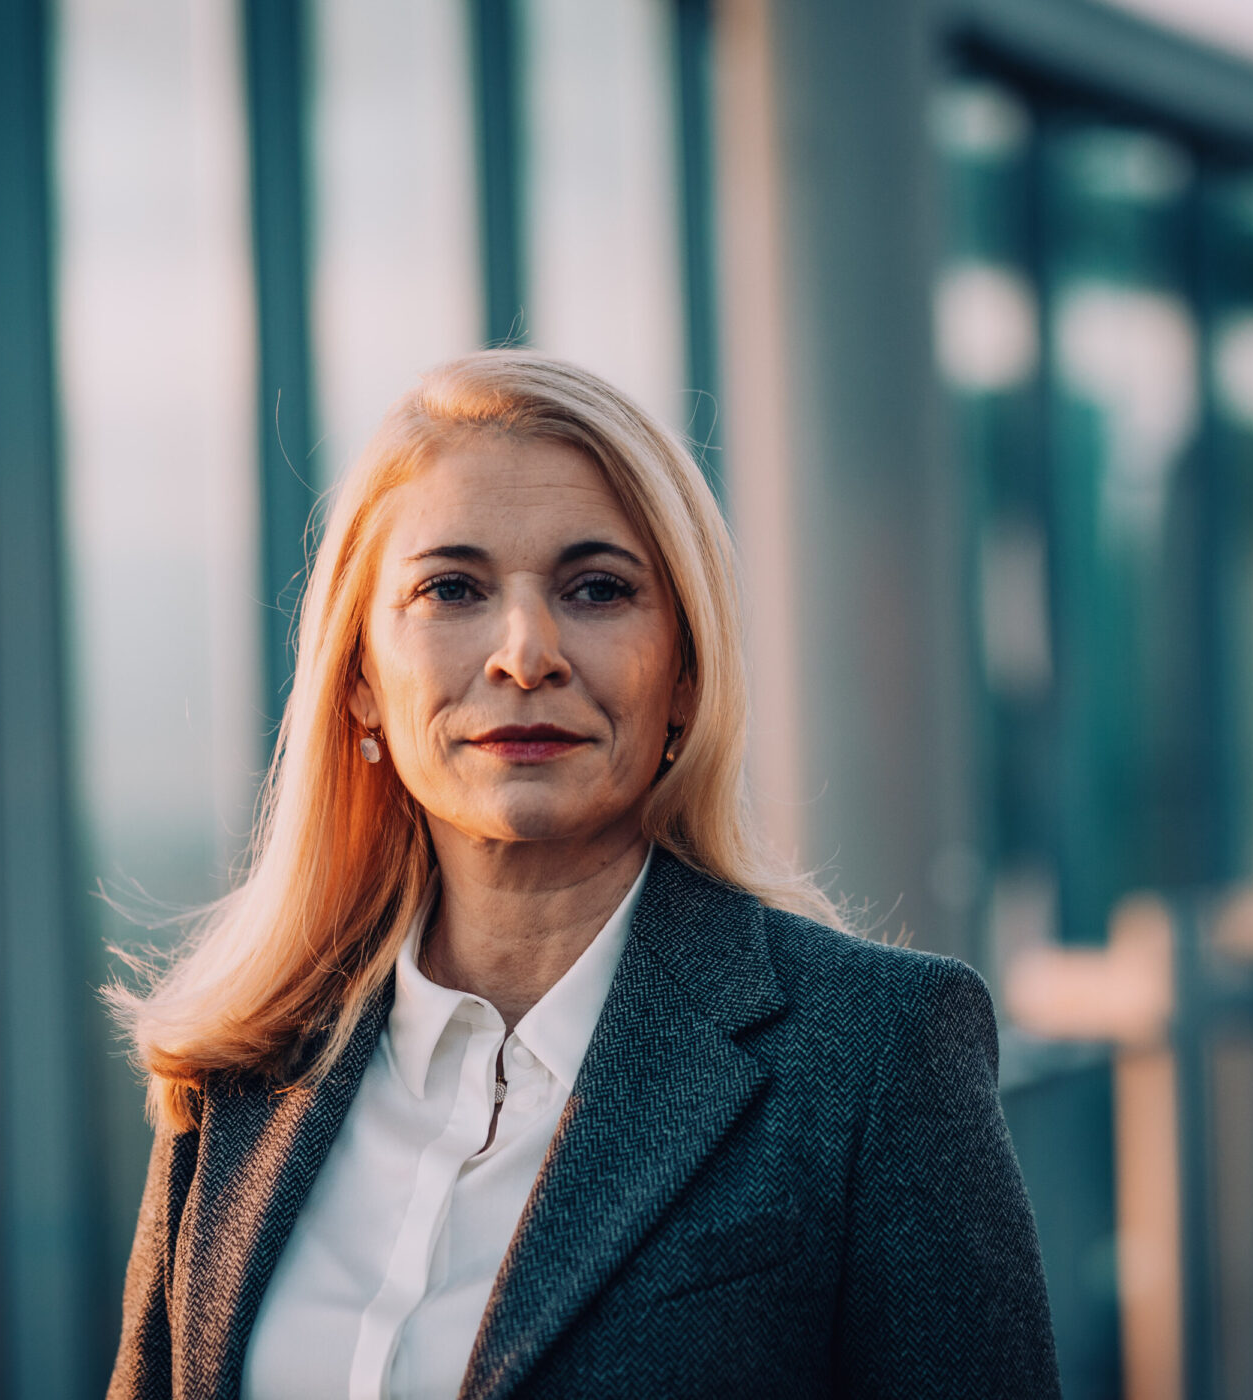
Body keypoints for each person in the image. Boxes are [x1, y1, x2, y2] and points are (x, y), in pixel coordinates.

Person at [105, 350, 1060, 1399]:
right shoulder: (243, 1072)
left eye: (597, 588)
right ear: (363, 679)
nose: (526, 652)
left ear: (686, 672)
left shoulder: (873, 1054)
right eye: (452, 588)